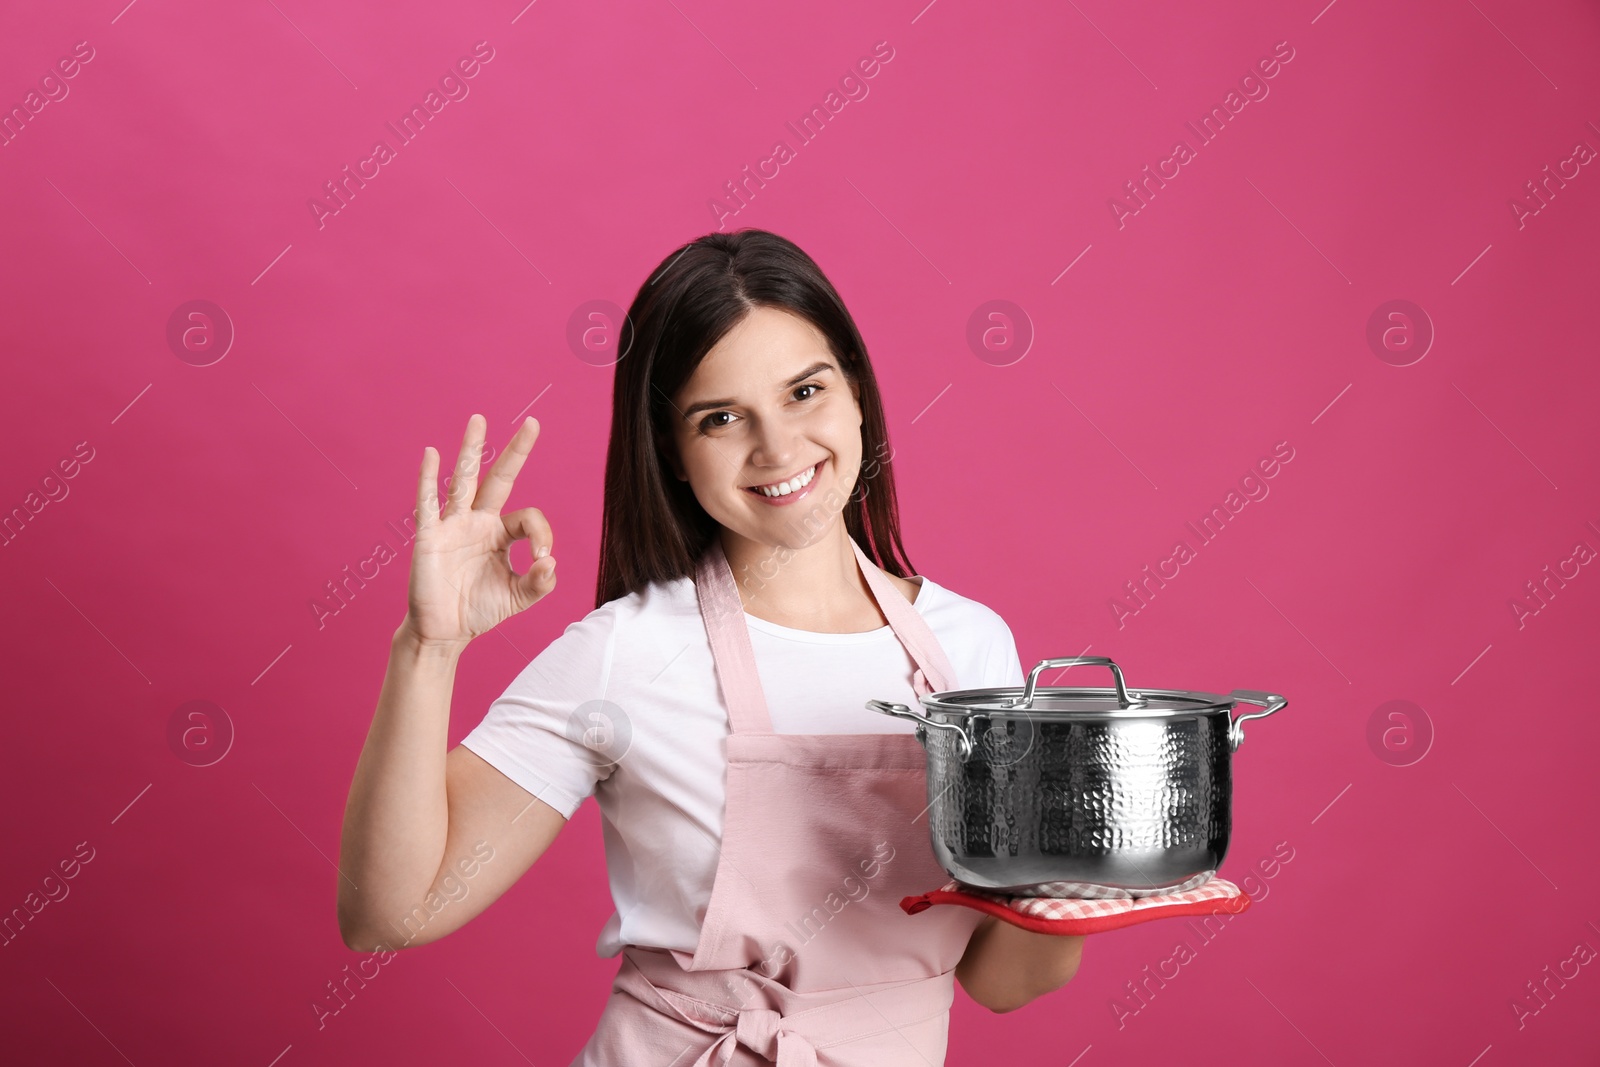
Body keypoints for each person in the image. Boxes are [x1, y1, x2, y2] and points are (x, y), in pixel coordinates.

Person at [337, 229, 1085, 1065]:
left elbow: (1001, 978)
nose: (777, 448)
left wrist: (1081, 877)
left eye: (805, 391)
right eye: (721, 417)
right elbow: (386, 914)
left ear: (858, 391)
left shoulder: (970, 648)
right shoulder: (628, 652)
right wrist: (427, 648)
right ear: (674, 452)